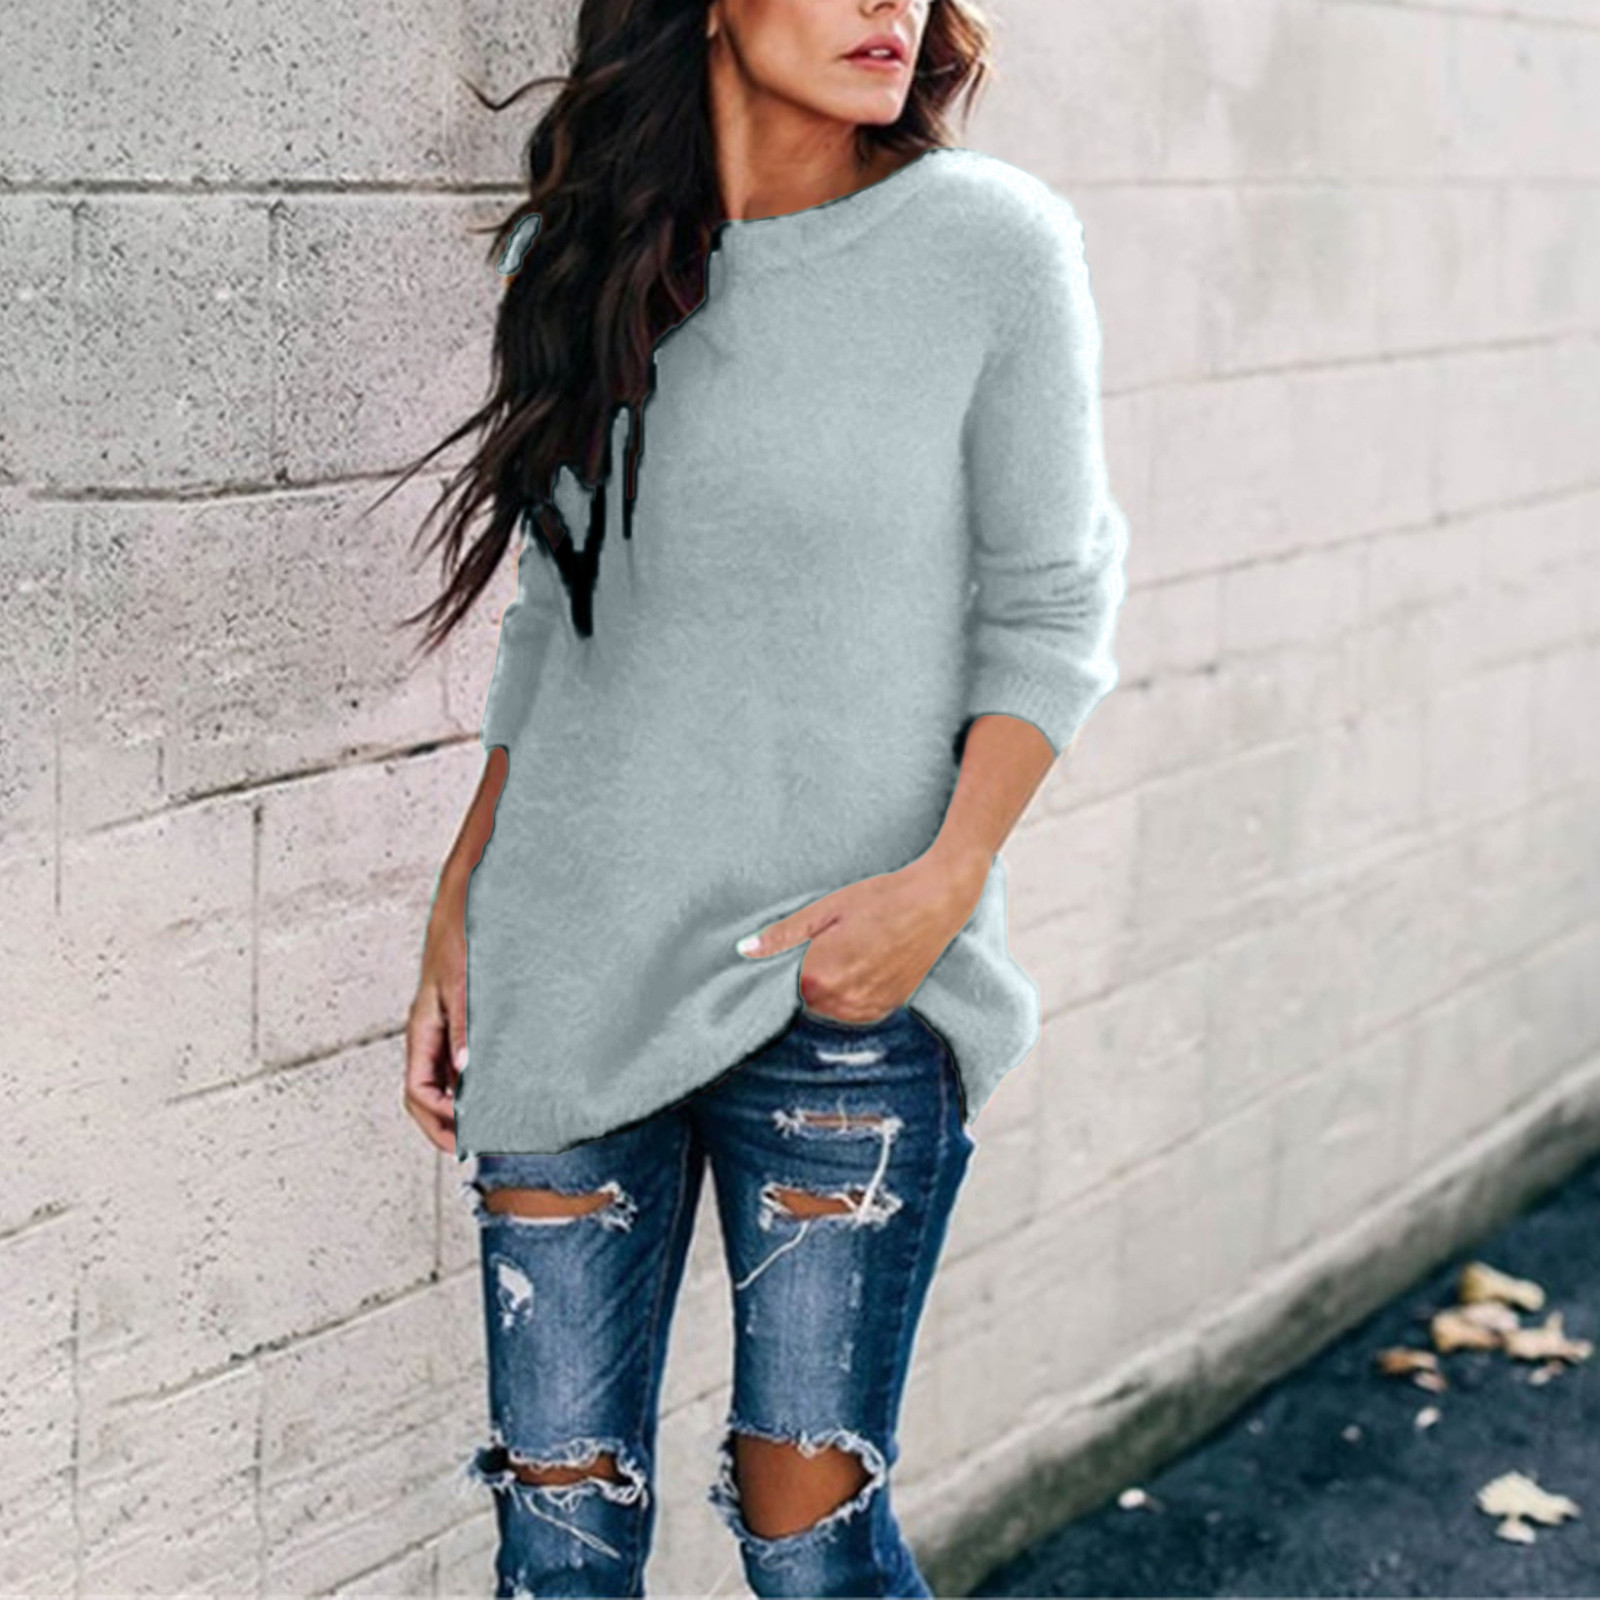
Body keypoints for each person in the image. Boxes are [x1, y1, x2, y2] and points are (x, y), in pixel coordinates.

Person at [392, 0, 1129, 1593]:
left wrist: (943, 885)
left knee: (811, 1550)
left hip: (840, 985)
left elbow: (1054, 603)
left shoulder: (988, 246)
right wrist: (464, 897)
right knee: (559, 1550)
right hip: (570, 962)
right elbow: (559, 614)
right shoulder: (579, 258)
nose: (890, 5)